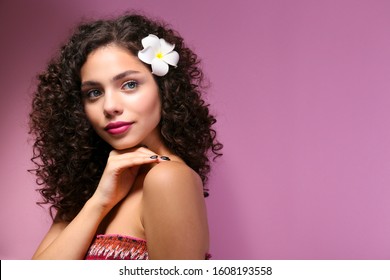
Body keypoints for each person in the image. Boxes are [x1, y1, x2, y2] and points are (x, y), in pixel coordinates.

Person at [29, 12, 222, 260]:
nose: (110, 106)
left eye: (129, 84)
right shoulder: (94, 187)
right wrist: (99, 202)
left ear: (164, 88)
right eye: (94, 92)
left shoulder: (168, 179)